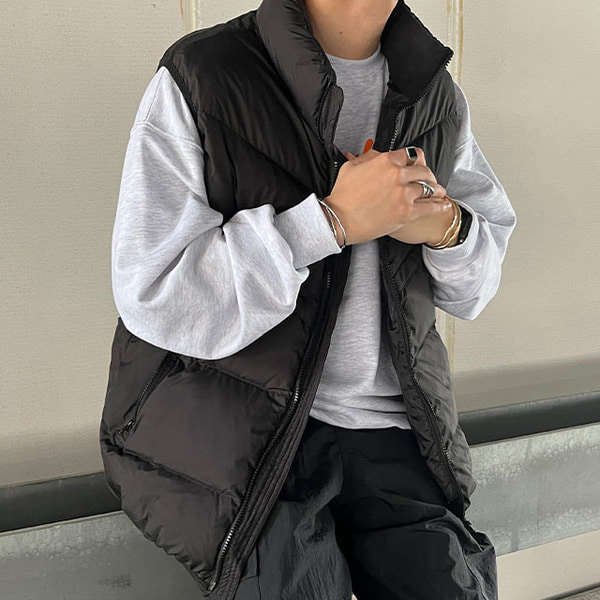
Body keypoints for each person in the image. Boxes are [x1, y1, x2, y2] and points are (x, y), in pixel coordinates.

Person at [100, 0, 516, 598]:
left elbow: (475, 288)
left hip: (398, 436)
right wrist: (330, 222)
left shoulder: (435, 95)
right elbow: (156, 290)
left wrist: (448, 227)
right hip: (250, 441)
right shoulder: (206, 73)